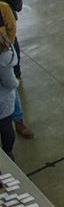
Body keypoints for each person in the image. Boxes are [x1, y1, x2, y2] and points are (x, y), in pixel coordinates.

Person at [0, 0, 32, 139]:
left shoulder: (3, 8)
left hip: (3, 53)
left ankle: (18, 122)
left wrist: (7, 48)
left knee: (11, 86)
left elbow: (11, 31)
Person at [0, 33, 18, 161]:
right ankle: (8, 154)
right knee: (6, 127)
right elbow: (9, 82)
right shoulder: (4, 57)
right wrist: (17, 83)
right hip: (3, 100)